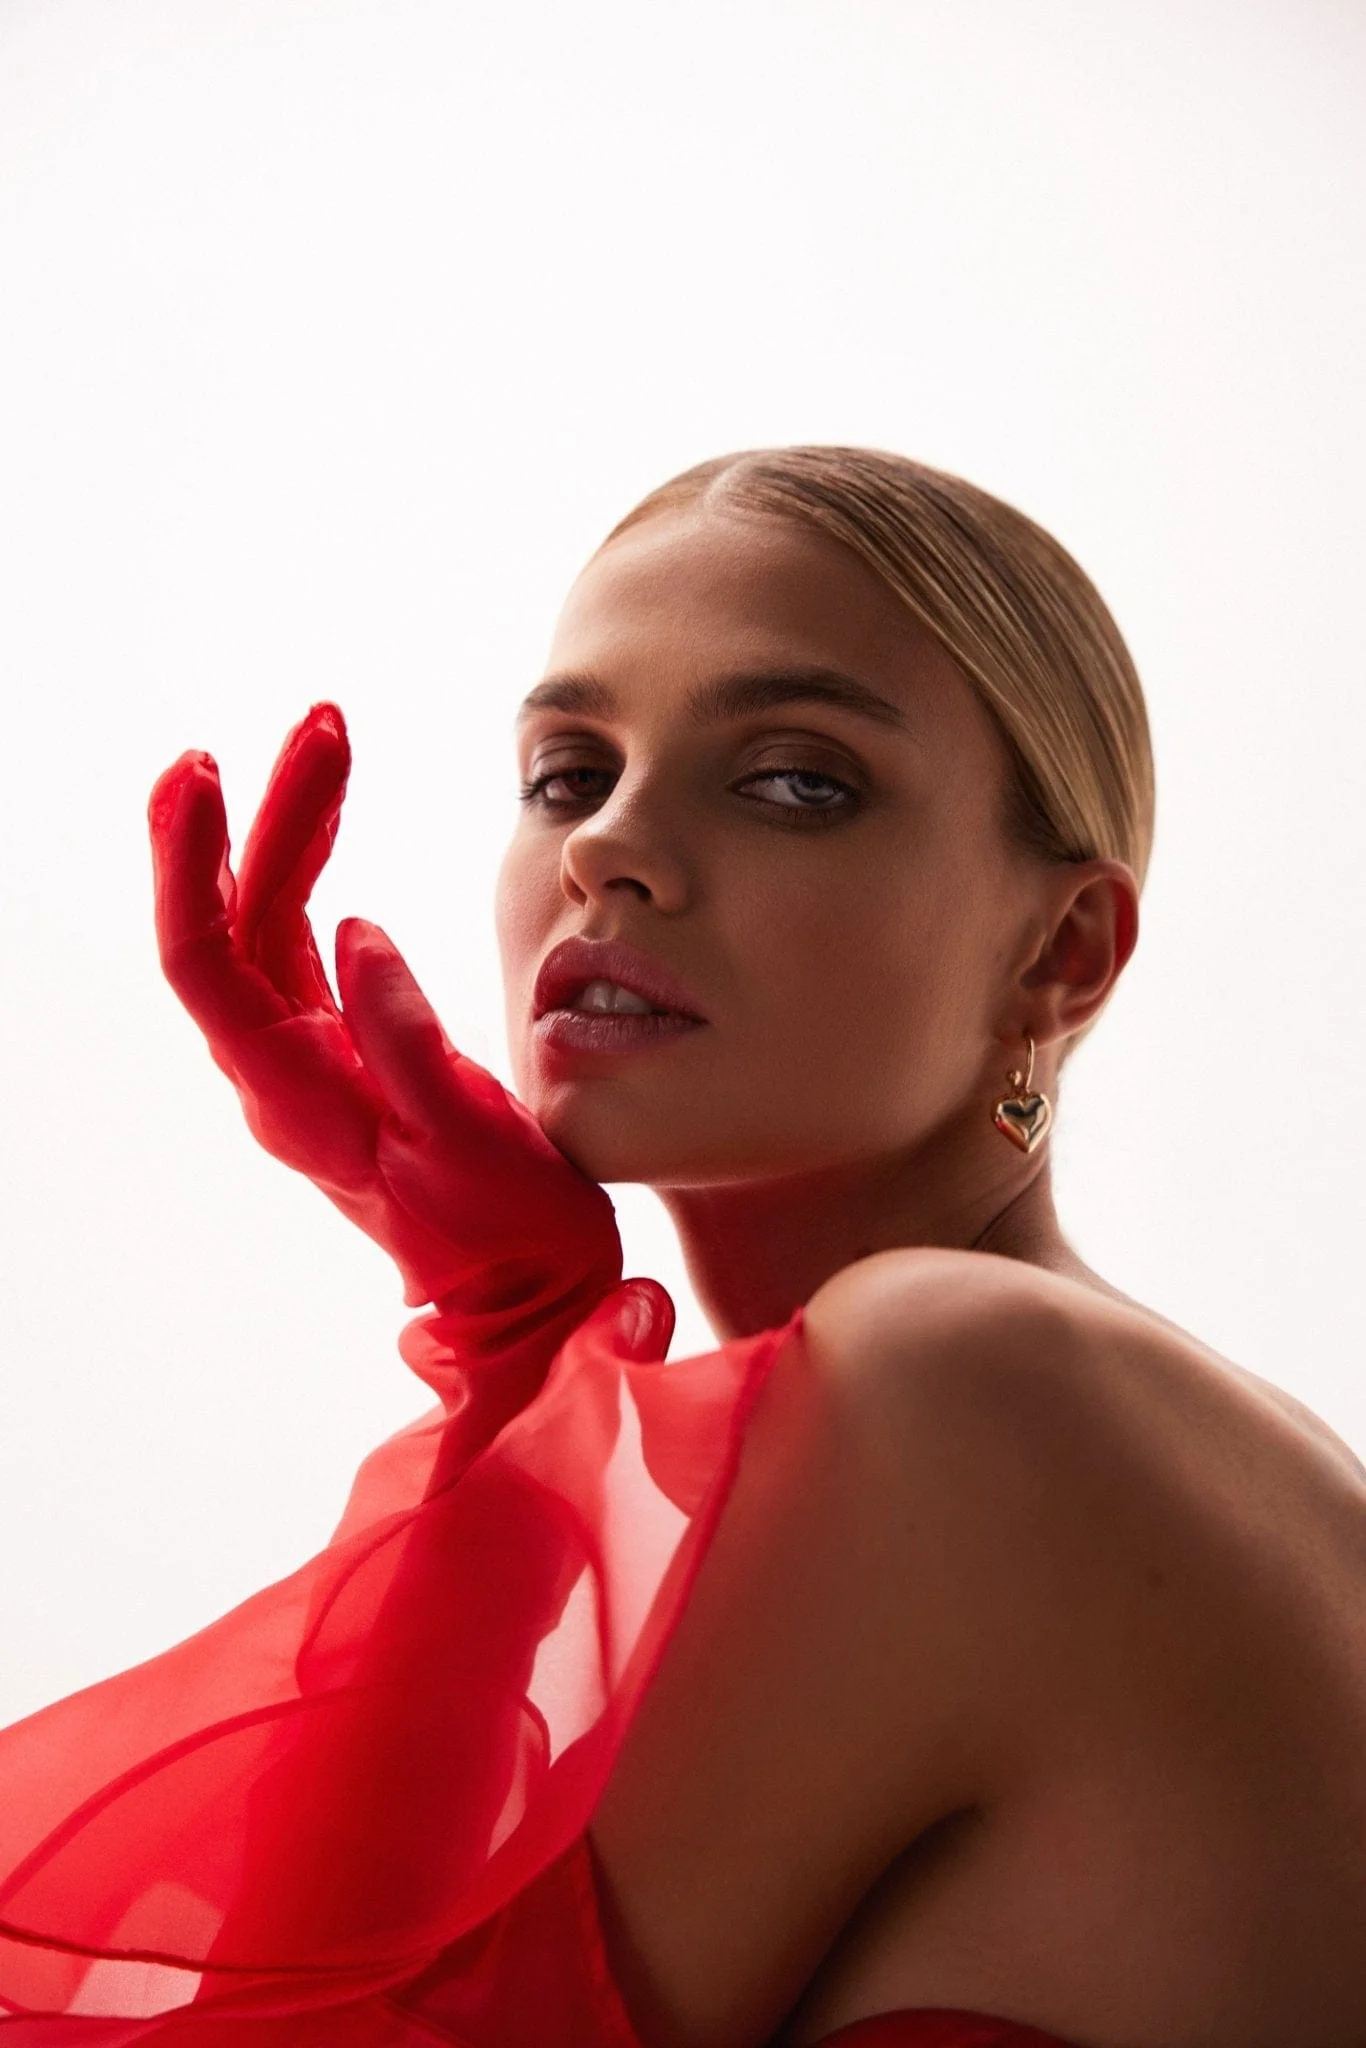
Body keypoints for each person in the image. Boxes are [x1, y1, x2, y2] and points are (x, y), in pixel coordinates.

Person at [1, 447, 1363, 2048]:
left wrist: (508, 1351)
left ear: (1057, 955)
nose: (608, 850)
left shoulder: (969, 1387)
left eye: (795, 779)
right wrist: (509, 1343)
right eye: (569, 773)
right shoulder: (1093, 1418)